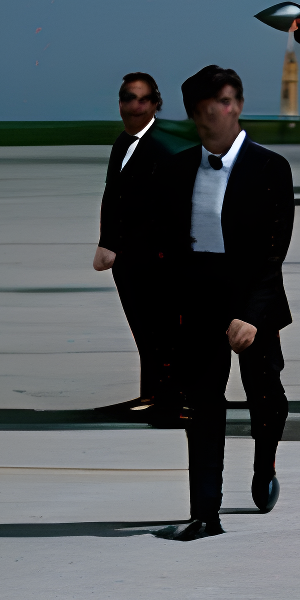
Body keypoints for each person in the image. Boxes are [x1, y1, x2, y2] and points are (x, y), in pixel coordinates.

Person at [156, 66, 295, 541]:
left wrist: (251, 314)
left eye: (231, 99)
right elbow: (168, 246)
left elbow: (275, 249)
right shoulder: (175, 170)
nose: (226, 109)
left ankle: (264, 464)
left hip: (253, 296)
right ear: (195, 112)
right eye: (214, 102)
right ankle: (205, 513)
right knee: (203, 407)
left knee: (267, 399)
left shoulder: (271, 167)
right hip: (199, 302)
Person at [93, 72, 178, 422]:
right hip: (127, 258)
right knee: (143, 328)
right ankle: (152, 394)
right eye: (128, 97)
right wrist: (107, 243)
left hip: (155, 257)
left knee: (161, 328)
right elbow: (114, 195)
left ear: (156, 103)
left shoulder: (165, 144)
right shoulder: (121, 144)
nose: (135, 105)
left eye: (143, 99)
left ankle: (168, 398)